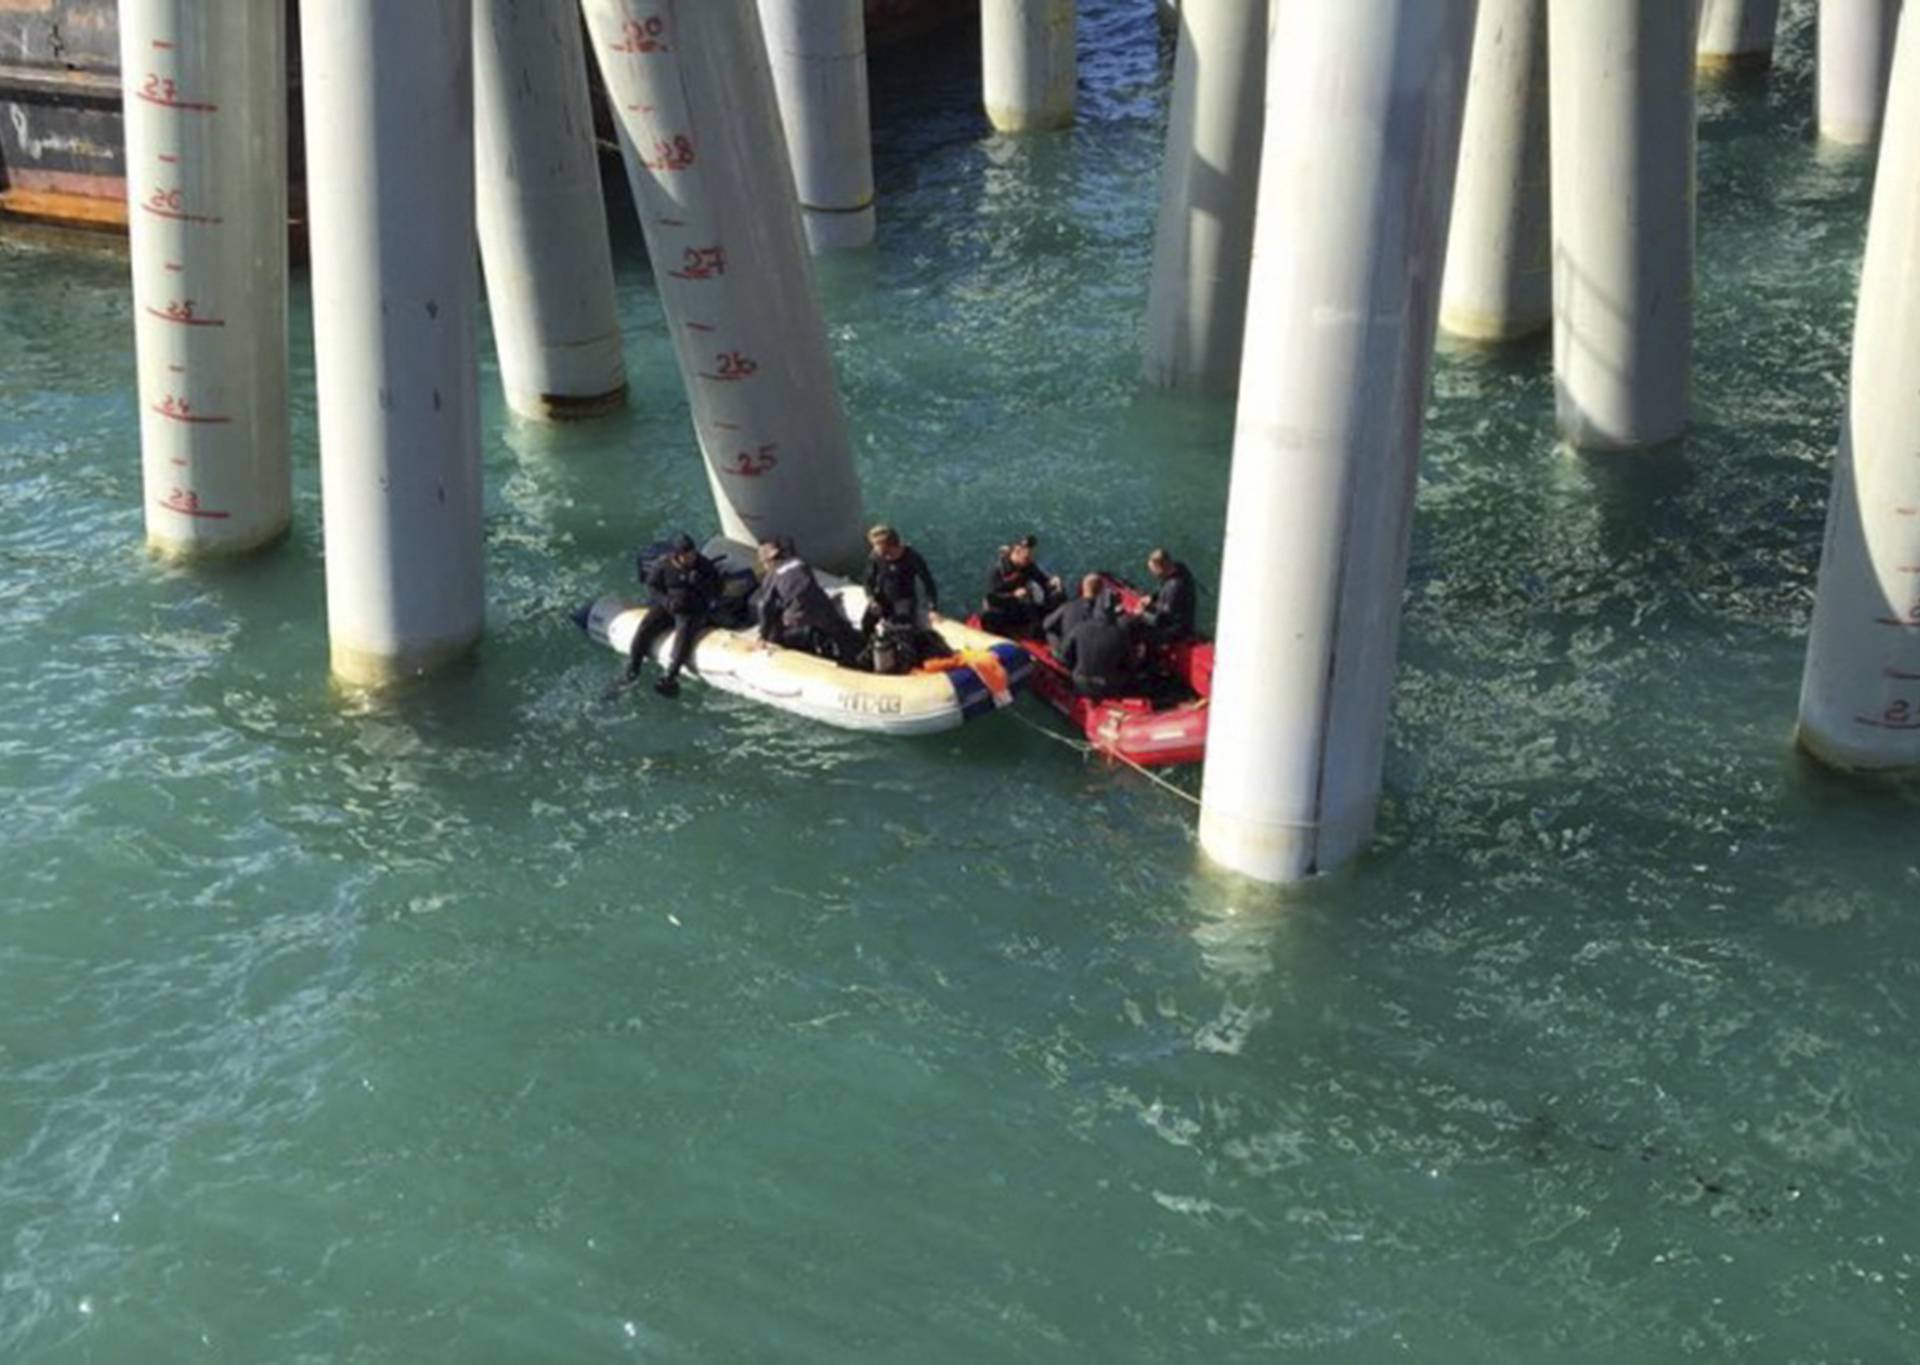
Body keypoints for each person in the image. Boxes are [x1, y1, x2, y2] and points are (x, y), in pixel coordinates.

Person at [626, 532, 720, 698]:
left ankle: (670, 676)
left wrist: (701, 584)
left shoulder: (704, 566)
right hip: (669, 605)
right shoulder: (664, 565)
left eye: (692, 553)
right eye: (687, 555)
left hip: (692, 608)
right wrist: (666, 601)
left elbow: (717, 590)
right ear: (677, 555)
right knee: (645, 627)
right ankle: (633, 667)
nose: (691, 558)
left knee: (684, 634)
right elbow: (652, 586)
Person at [755, 539, 862, 665]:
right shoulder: (800, 562)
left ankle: (807, 653)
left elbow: (764, 606)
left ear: (768, 561)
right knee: (839, 631)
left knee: (777, 636)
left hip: (800, 615)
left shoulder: (772, 575)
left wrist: (763, 635)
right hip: (822, 607)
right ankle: (853, 658)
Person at [978, 534, 1063, 638]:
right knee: (991, 616)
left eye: (1031, 557)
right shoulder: (997, 570)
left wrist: (1052, 581)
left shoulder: (1027, 565)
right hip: (1001, 607)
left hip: (1019, 606)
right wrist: (1013, 595)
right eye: (1026, 557)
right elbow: (991, 597)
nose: (1030, 560)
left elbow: (1042, 579)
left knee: (1056, 597)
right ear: (1016, 552)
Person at [862, 524, 939, 633]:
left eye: (877, 546)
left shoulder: (912, 557)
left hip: (904, 599)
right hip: (882, 597)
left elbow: (928, 582)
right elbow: (868, 580)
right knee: (866, 623)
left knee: (902, 628)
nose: (875, 550)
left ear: (890, 546)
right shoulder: (876, 556)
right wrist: (871, 599)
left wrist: (932, 609)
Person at [1059, 599, 1139, 700]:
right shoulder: (1120, 636)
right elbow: (1130, 664)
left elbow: (1064, 655)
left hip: (1079, 681)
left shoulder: (1081, 627)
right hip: (1105, 688)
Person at [1135, 547, 1198, 643]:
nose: (1152, 573)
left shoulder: (1174, 588)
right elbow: (1163, 586)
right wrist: (1152, 597)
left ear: (1159, 568)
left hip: (1176, 630)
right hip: (1180, 617)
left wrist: (1142, 614)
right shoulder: (1179, 567)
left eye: (1153, 570)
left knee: (1138, 629)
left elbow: (1162, 621)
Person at [1043, 573, 1109, 655]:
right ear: (1100, 591)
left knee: (1049, 632)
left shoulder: (1068, 606)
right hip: (1089, 655)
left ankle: (1057, 655)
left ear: (1083, 587)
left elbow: (1046, 625)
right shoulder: (1101, 613)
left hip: (1069, 656)